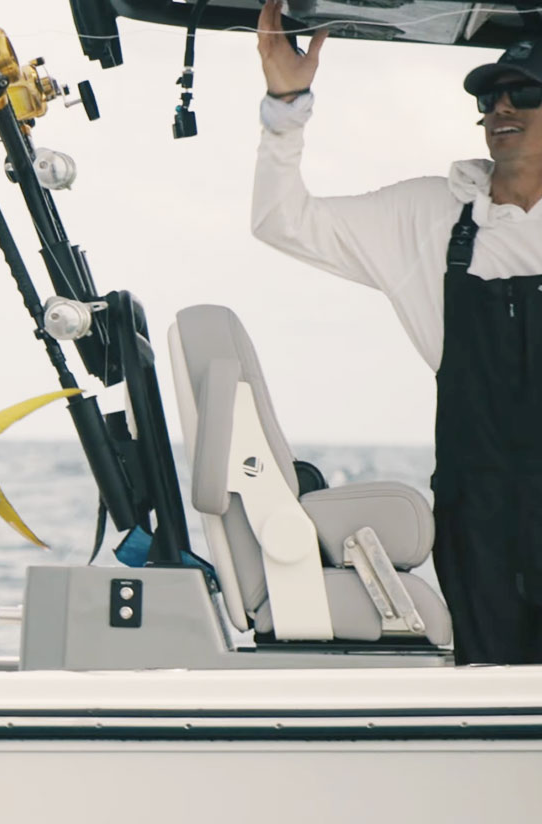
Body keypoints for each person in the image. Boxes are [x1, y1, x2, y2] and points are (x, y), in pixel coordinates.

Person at [252, 1, 542, 664]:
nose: (502, 108)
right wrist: (285, 105)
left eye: (523, 93)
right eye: (491, 95)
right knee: (492, 698)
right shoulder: (430, 216)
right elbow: (281, 220)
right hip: (480, 519)